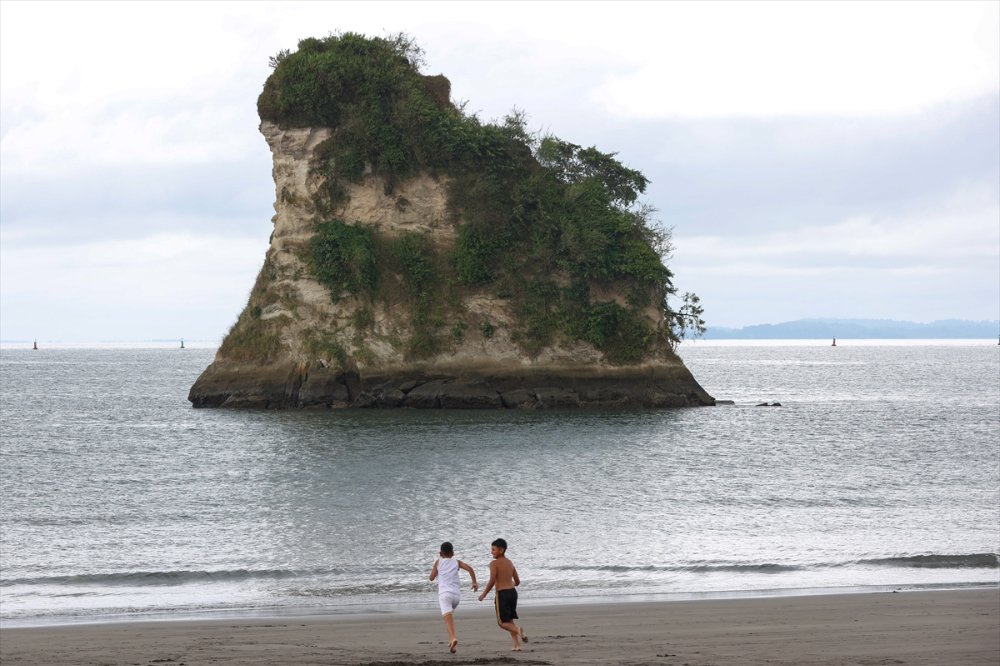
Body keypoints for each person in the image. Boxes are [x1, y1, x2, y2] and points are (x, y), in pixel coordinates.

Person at [477, 538, 528, 651]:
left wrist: (483, 594)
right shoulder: (509, 562)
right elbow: (517, 581)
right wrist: (511, 583)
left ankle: (518, 630)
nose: (492, 552)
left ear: (501, 550)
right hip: (513, 593)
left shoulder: (494, 563)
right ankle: (517, 645)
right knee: (510, 620)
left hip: (502, 594)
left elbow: (492, 580)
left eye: (493, 550)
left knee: (502, 623)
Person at [429, 541, 478, 653]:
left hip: (445, 595)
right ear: (453, 553)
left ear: (440, 553)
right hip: (456, 597)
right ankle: (451, 641)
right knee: (449, 618)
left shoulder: (438, 562)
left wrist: (435, 572)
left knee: (448, 621)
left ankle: (453, 639)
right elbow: (470, 569)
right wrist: (474, 582)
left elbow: (431, 578)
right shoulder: (456, 562)